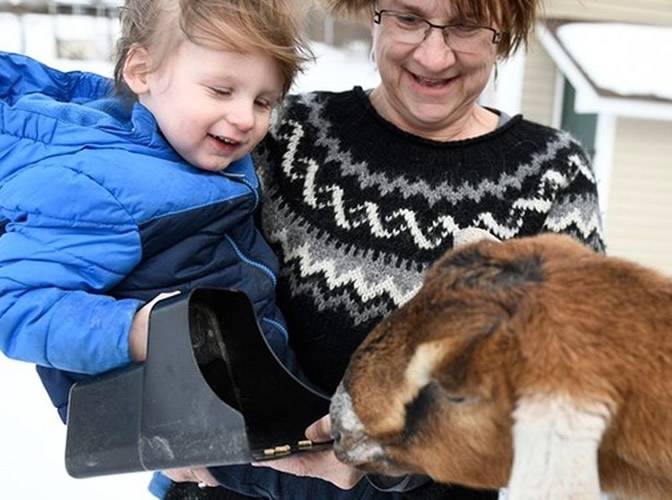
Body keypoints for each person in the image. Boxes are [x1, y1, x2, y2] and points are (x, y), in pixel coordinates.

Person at [164, 0, 606, 499]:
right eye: (409, 19)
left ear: (501, 34)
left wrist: (397, 454)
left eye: (464, 27)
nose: (434, 56)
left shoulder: (551, 176)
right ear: (374, 15)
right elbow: (167, 274)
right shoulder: (284, 134)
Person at [0, 0, 311, 495]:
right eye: (221, 90)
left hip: (253, 404)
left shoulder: (179, 145)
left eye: (262, 101)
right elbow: (16, 303)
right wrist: (135, 331)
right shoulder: (100, 184)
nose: (244, 117)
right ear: (144, 71)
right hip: (205, 430)